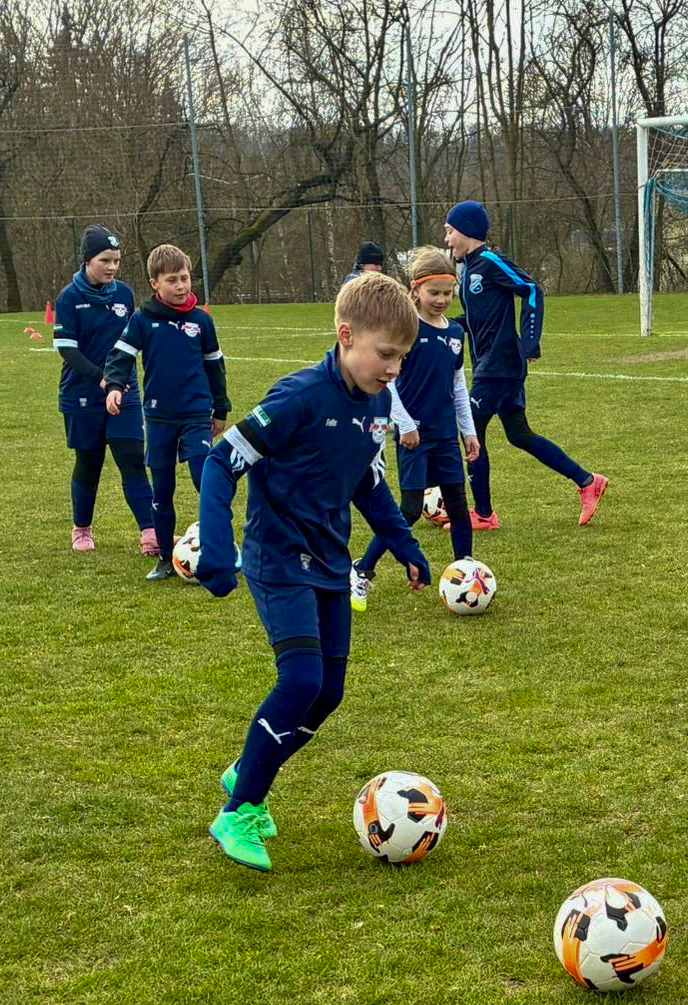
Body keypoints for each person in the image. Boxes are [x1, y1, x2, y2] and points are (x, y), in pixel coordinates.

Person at [193, 273, 433, 873]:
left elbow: (367, 482)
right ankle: (239, 810)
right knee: (299, 681)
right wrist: (217, 548)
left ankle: (249, 768)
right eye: (385, 354)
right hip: (278, 559)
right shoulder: (297, 398)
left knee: (329, 693)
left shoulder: (375, 405)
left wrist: (403, 543)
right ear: (346, 336)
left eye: (402, 357)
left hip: (330, 561)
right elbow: (222, 463)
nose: (393, 369)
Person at [443, 199, 608, 528]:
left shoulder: (489, 261)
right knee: (519, 434)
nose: (447, 239)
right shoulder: (470, 270)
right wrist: (442, 328)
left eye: (449, 231)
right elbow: (477, 322)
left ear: (467, 231)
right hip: (494, 366)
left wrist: (530, 341)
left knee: (469, 429)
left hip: (500, 365)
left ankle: (485, 514)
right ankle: (588, 481)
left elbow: (532, 289)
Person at [352, 246, 481, 612]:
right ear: (415, 291)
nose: (441, 300)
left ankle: (465, 569)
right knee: (408, 511)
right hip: (415, 436)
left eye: (447, 293)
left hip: (444, 436)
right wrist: (404, 424)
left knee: (459, 506)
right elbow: (388, 382)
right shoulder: (405, 330)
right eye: (433, 292)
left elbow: (457, 385)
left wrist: (467, 431)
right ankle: (362, 569)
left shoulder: (456, 332)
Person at [103, 243, 230, 580]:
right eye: (172, 280)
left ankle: (221, 549)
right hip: (159, 418)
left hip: (196, 416)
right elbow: (121, 357)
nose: (181, 286)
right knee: (162, 489)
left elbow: (216, 367)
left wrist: (221, 407)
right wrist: (115, 386)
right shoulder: (143, 320)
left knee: (206, 478)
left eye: (185, 278)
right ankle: (163, 557)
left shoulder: (201, 321)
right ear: (154, 284)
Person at [52, 225, 153, 553]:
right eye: (105, 260)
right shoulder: (69, 298)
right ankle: (81, 529)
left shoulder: (124, 294)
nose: (111, 267)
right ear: (87, 260)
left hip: (124, 390)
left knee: (132, 458)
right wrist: (101, 378)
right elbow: (67, 349)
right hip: (83, 392)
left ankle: (150, 532)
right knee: (89, 461)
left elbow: (132, 341)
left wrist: (119, 380)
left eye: (117, 261)